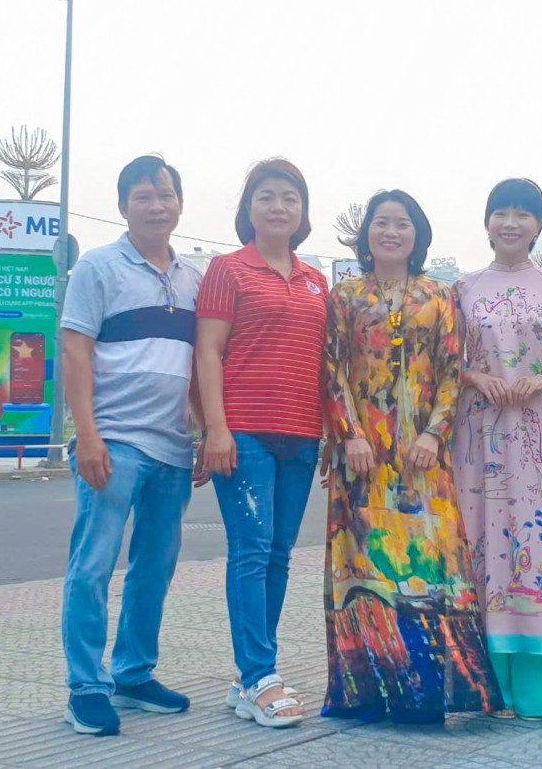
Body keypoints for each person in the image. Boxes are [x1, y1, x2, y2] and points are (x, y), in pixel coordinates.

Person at [322, 189, 503, 723]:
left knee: (428, 566)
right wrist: (351, 435)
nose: (391, 232)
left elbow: (451, 371)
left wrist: (433, 435)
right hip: (362, 457)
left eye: (402, 223)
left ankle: (423, 695)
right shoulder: (344, 296)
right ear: (366, 235)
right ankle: (366, 692)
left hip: (424, 458)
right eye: (381, 222)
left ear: (418, 234)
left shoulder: (439, 295)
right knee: (363, 566)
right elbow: (331, 370)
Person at [60, 155, 203, 736]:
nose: (156, 206)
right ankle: (86, 686)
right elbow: (75, 351)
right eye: (143, 196)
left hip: (172, 447)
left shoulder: (193, 279)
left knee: (154, 567)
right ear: (123, 206)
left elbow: (197, 363)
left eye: (165, 195)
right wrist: (88, 435)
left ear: (180, 204)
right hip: (114, 441)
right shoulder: (98, 268)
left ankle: (134, 672)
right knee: (93, 565)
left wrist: (202, 430)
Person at [451, 178, 542, 720]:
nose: (511, 223)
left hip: (540, 435)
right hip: (478, 431)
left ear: (538, 227)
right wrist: (476, 377)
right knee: (481, 536)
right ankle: (485, 688)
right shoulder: (462, 289)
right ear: (487, 223)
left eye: (523, 214)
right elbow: (444, 359)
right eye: (501, 212)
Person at [196, 158, 328, 728]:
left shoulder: (317, 280)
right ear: (248, 209)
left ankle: (250, 674)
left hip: (302, 433)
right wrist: (215, 428)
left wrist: (334, 432)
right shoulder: (227, 270)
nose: (279, 207)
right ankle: (259, 676)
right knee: (250, 551)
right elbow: (207, 352)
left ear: (303, 212)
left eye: (290, 198)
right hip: (245, 432)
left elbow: (325, 363)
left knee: (278, 554)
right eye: (267, 196)